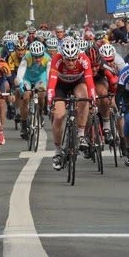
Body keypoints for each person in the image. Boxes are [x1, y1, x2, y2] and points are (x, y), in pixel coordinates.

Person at [47, 37, 97, 170]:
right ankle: (57, 151)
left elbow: (90, 81)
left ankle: (80, 134)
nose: (70, 62)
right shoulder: (56, 59)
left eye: (73, 59)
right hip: (60, 86)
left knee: (84, 96)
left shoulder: (84, 59)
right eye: (67, 59)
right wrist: (50, 99)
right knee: (58, 115)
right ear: (62, 57)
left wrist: (93, 98)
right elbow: (51, 83)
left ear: (77, 56)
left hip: (77, 82)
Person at [14, 41, 51, 139]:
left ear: (43, 53)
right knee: (25, 97)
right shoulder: (26, 58)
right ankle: (24, 123)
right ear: (31, 55)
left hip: (40, 78)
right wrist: (21, 86)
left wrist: (48, 87)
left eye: (40, 56)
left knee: (42, 94)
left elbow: (48, 76)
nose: (38, 59)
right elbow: (19, 75)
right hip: (27, 79)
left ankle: (40, 113)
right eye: (35, 56)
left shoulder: (47, 59)